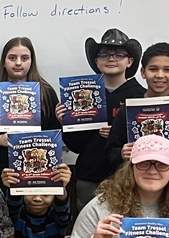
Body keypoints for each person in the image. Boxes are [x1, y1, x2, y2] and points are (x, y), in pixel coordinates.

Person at [58, 29, 145, 208]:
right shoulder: (82, 95)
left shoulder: (141, 96)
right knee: (88, 229)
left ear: (130, 61)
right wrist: (65, 122)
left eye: (119, 54)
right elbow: (75, 146)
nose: (111, 58)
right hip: (90, 176)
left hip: (130, 178)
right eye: (104, 54)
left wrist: (118, 134)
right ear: (96, 61)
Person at [105, 42, 169, 175]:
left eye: (167, 70)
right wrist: (121, 154)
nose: (159, 75)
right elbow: (110, 151)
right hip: (134, 183)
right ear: (143, 72)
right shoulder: (129, 108)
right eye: (153, 69)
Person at [0, 37, 61, 189]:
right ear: (4, 61)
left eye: (24, 58)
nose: (18, 63)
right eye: (12, 58)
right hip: (2, 169)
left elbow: (56, 131)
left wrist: (62, 121)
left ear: (32, 61)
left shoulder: (46, 92)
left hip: (40, 171)